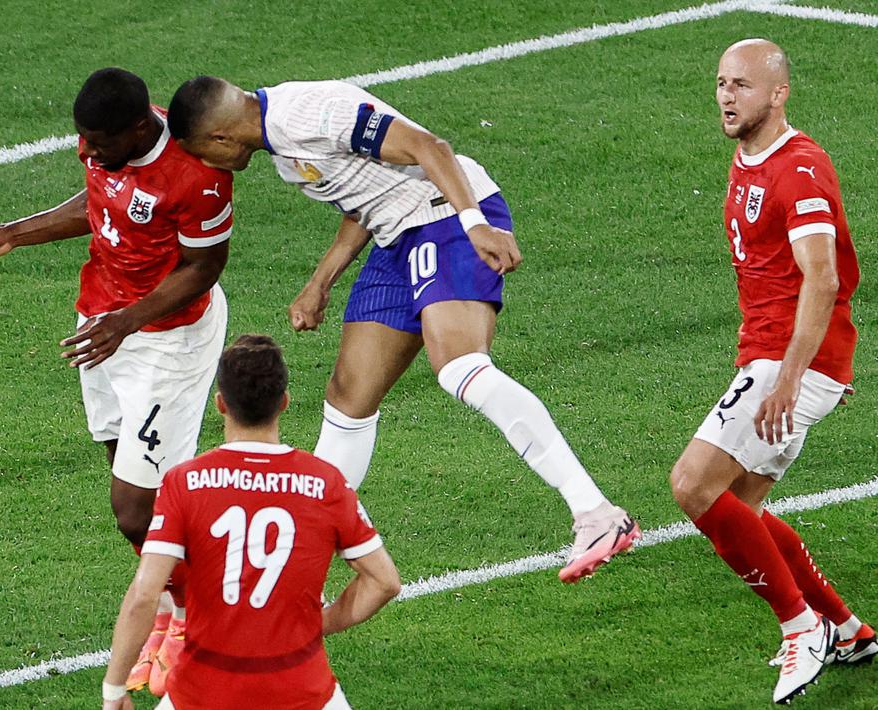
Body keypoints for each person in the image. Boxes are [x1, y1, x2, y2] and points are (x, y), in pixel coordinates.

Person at [165, 76, 638, 583]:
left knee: (460, 369)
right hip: (397, 236)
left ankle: (597, 515)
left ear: (219, 139)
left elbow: (425, 146)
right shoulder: (282, 149)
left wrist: (473, 222)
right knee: (348, 397)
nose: (210, 167)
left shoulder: (305, 114)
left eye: (203, 155)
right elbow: (366, 198)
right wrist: (321, 281)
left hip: (442, 215)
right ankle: (302, 564)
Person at [0, 67, 235, 694]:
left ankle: (198, 621)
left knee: (134, 509)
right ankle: (165, 608)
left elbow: (204, 266)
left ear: (138, 128)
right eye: (82, 138)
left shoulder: (197, 174)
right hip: (102, 321)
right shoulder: (106, 142)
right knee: (125, 472)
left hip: (168, 339)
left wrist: (127, 323)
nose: (88, 150)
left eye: (99, 141)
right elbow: (98, 203)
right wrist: (12, 233)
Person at [667, 39, 872, 705]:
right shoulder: (748, 158)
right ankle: (844, 629)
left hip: (786, 363)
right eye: (721, 82)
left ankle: (799, 628)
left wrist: (793, 378)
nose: (726, 96)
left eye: (742, 86)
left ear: (777, 94)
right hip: (781, 355)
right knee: (743, 509)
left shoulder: (797, 170)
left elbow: (821, 276)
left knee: (693, 487)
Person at [101, 334, 401, 709]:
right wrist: (320, 624)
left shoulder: (184, 483)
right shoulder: (326, 483)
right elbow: (384, 581)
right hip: (304, 692)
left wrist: (114, 690)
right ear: (285, 403)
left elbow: (145, 594)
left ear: (221, 404)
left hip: (202, 694)